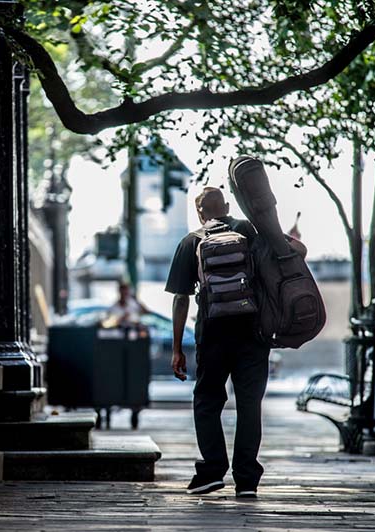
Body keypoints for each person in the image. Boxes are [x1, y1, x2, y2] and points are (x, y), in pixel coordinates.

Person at [164, 186, 269, 499]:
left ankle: (211, 470)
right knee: (250, 405)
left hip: (212, 334)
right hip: (252, 333)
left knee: (207, 401)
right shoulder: (248, 231)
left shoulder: (191, 241)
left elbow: (181, 299)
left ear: (199, 212)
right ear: (226, 206)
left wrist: (176, 348)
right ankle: (247, 479)